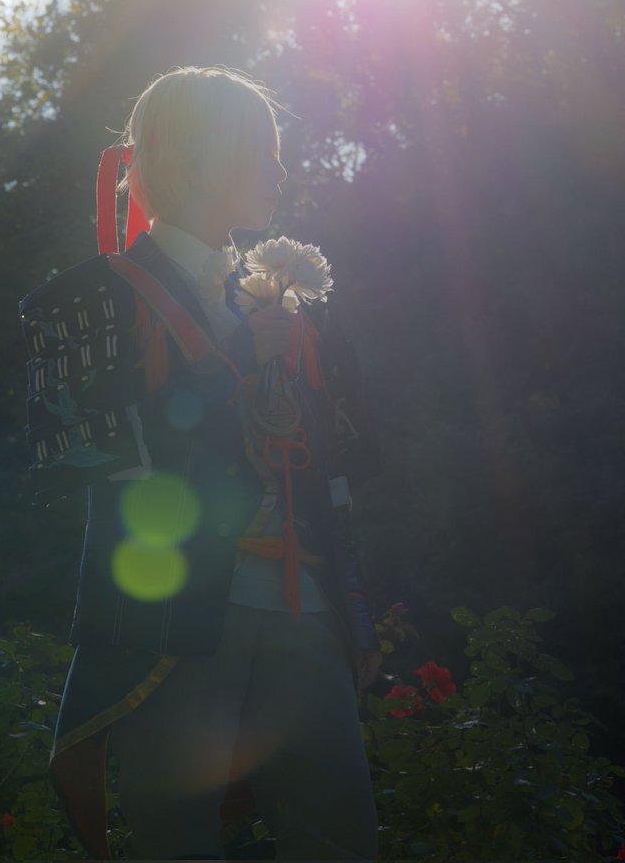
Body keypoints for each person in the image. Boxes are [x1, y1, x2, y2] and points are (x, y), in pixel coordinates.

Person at [19, 66, 382, 861]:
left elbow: (339, 470)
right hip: (169, 622)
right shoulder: (93, 298)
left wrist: (353, 604)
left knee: (344, 843)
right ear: (190, 158)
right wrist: (234, 363)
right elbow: (81, 459)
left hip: (306, 610)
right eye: (257, 149)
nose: (279, 169)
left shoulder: (292, 306)